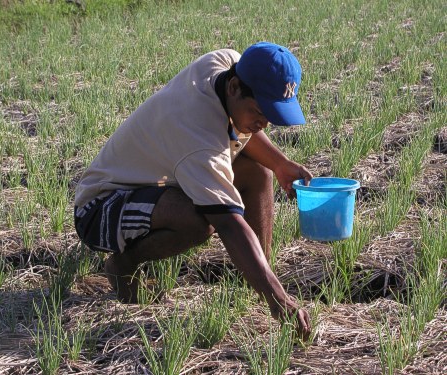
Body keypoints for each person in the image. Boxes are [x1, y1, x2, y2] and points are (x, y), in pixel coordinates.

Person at [74, 41, 313, 339]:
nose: (263, 123)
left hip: (158, 183)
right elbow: (229, 223)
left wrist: (280, 163)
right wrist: (280, 299)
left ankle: (258, 280)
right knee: (199, 221)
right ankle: (123, 264)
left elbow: (246, 128)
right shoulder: (198, 137)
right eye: (259, 112)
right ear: (235, 88)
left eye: (271, 116)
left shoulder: (228, 65)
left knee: (259, 173)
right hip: (102, 208)